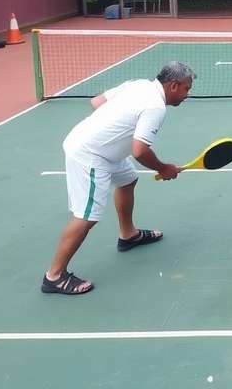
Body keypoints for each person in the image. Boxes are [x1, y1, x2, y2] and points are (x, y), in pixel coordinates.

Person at [41, 62, 196, 295]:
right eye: (186, 88)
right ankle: (54, 276)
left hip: (101, 149)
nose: (187, 94)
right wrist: (164, 168)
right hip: (91, 156)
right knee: (87, 216)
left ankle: (128, 235)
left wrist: (110, 129)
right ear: (173, 85)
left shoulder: (138, 85)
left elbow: (97, 102)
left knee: (128, 180)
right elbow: (139, 151)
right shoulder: (155, 107)